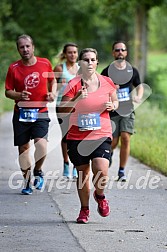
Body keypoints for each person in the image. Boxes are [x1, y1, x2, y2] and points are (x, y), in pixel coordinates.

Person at [58, 48, 118, 223]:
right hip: (78, 136)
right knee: (83, 174)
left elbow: (115, 100)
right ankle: (84, 210)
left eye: (93, 60)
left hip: (101, 133)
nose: (89, 63)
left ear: (97, 62)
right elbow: (62, 110)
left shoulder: (107, 81)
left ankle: (100, 195)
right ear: (80, 63)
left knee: (101, 169)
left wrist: (112, 105)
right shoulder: (73, 84)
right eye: (86, 60)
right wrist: (76, 98)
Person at [5, 34, 57, 195]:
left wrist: (52, 93)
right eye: (22, 47)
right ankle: (27, 182)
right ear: (18, 49)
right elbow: (8, 92)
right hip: (21, 113)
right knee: (23, 149)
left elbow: (53, 81)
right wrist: (19, 95)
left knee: (41, 145)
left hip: (40, 111)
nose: (25, 49)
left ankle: (38, 171)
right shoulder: (14, 68)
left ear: (33, 47)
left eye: (28, 46)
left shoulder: (45, 63)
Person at [101, 41, 143, 182]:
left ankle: (122, 171)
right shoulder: (107, 71)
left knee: (125, 137)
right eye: (117, 50)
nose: (120, 52)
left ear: (126, 53)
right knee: (113, 142)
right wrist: (111, 89)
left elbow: (139, 85)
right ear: (113, 53)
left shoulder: (132, 70)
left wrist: (139, 95)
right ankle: (111, 153)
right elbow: (99, 89)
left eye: (122, 50)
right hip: (112, 111)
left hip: (127, 110)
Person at [54, 42, 79, 179]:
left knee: (77, 136)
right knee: (66, 136)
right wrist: (59, 84)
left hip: (79, 107)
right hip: (62, 106)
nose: (72, 55)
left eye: (75, 52)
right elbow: (50, 87)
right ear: (65, 54)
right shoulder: (59, 68)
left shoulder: (81, 68)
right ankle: (65, 164)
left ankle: (76, 165)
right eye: (70, 52)